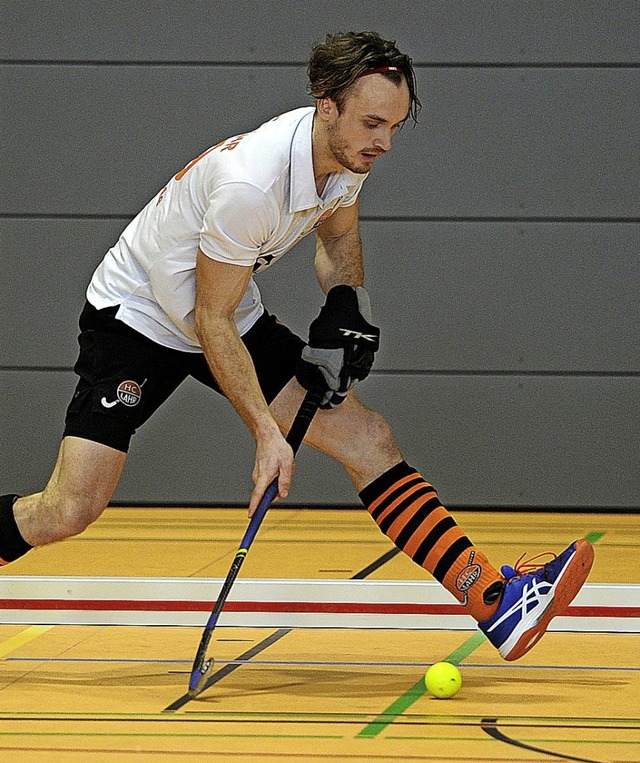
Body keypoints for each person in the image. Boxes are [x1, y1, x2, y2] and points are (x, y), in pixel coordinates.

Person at [1, 31, 593, 661]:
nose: (383, 142)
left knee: (368, 438)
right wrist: (266, 433)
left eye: (394, 126)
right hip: (140, 317)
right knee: (67, 511)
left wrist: (348, 309)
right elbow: (210, 320)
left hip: (223, 306)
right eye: (371, 122)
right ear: (326, 105)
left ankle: (495, 602)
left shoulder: (343, 163)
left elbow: (337, 244)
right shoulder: (251, 186)